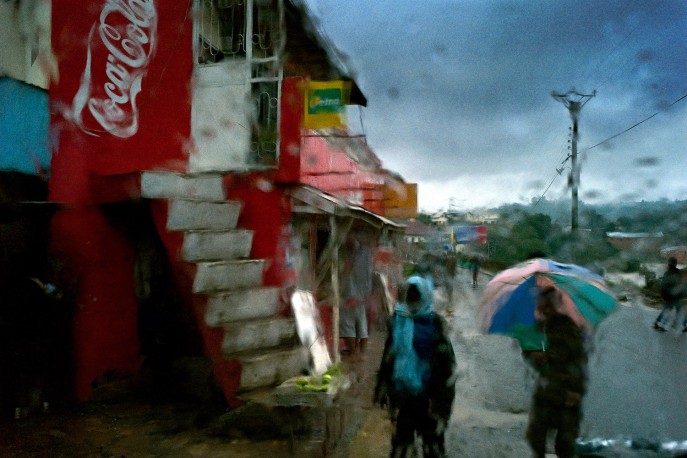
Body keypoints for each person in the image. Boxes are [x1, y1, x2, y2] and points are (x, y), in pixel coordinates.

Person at [374, 275, 456, 457]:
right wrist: (382, 386)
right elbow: (389, 356)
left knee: (433, 450)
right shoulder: (399, 321)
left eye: (415, 297)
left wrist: (442, 408)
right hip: (405, 399)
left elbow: (447, 369)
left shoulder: (435, 325)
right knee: (401, 449)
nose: (412, 302)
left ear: (425, 296)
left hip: (429, 401)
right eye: (409, 298)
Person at [526, 286, 588, 458]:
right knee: (535, 440)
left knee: (565, 446)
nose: (545, 308)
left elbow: (578, 360)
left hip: (566, 394)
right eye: (542, 304)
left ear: (557, 305)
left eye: (549, 304)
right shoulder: (539, 328)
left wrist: (576, 390)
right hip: (545, 393)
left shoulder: (568, 327)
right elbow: (530, 356)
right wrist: (533, 355)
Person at [653, 257, 687, 332]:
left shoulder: (668, 273)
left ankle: (661, 324)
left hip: (671, 296)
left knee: (667, 310)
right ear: (676, 264)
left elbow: (664, 286)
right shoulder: (678, 272)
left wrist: (663, 296)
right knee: (679, 311)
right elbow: (682, 285)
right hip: (678, 296)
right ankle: (684, 324)